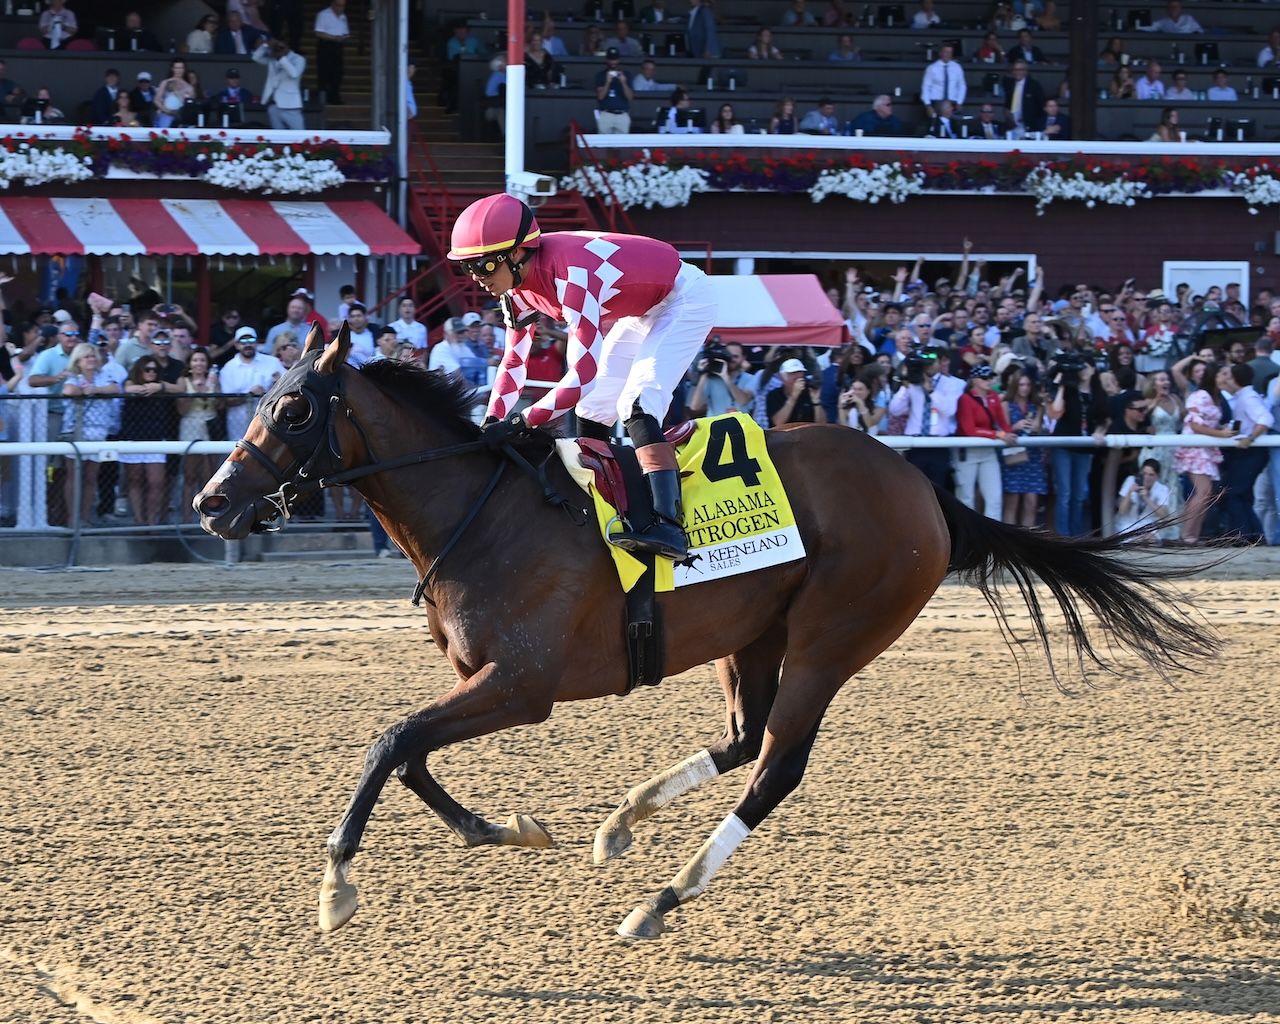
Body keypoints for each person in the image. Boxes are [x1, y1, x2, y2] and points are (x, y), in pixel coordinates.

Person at [446, 193, 718, 560]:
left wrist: (521, 421)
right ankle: (601, 510)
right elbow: (513, 362)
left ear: (515, 254)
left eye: (484, 266)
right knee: (593, 409)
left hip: (684, 298)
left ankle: (668, 525)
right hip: (641, 307)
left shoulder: (571, 276)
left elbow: (583, 373)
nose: (478, 279)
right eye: (469, 268)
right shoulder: (515, 289)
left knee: (636, 404)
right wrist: (492, 420)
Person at [60, 343, 121, 526]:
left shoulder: (104, 375)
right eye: (87, 356)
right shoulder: (73, 376)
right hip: (76, 431)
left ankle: (85, 517)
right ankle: (72, 518)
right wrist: (82, 391)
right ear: (78, 360)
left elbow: (114, 389)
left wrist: (94, 390)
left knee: (90, 477)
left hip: (99, 431)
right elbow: (68, 390)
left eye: (93, 356)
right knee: (73, 476)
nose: (91, 359)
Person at [1047, 354, 1108, 536]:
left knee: (1079, 494)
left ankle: (1077, 535)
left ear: (1093, 369)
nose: (1083, 370)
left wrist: (1099, 431)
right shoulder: (1069, 389)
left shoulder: (1098, 392)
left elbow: (1104, 419)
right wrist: (1063, 385)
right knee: (1065, 493)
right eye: (1080, 367)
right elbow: (1056, 412)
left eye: (1086, 366)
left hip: (1084, 448)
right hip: (1063, 445)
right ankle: (1063, 536)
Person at [888, 347, 964, 490]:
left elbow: (949, 410)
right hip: (916, 444)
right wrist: (906, 384)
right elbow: (895, 410)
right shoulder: (912, 382)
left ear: (940, 363)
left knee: (938, 491)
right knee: (914, 489)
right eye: (925, 362)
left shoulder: (950, 384)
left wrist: (931, 391)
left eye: (931, 361)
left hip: (938, 444)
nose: (928, 365)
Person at [1173, 361, 1232, 544]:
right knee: (1203, 491)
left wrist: (1222, 429)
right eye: (1223, 374)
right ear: (1213, 376)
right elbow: (1195, 424)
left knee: (1206, 493)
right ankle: (1187, 535)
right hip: (1195, 448)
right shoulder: (1201, 395)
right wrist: (1220, 433)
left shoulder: (1217, 397)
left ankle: (1193, 535)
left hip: (1206, 448)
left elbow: (1207, 424)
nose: (1227, 378)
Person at [1218, 363, 1273, 543]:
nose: (1225, 379)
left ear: (1235, 380)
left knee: (1234, 495)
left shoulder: (1248, 398)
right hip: (1249, 454)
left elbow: (1266, 419)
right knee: (1241, 496)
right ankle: (1255, 538)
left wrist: (1250, 438)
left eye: (1229, 376)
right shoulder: (1246, 396)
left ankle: (1245, 538)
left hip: (1250, 453)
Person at [955, 364, 1015, 518]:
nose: (989, 380)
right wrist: (998, 434)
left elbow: (1002, 422)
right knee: (966, 499)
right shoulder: (965, 399)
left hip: (988, 451)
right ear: (974, 380)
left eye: (990, 377)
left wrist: (1009, 433)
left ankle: (992, 539)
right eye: (984, 377)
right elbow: (969, 430)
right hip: (968, 452)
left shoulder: (994, 397)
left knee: (995, 498)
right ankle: (966, 537)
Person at [177, 349, 220, 521]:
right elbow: (181, 410)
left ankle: (207, 518)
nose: (199, 364)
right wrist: (195, 392)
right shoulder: (183, 381)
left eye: (202, 360)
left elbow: (219, 404)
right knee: (190, 476)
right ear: (190, 364)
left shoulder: (214, 380)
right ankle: (186, 518)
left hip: (210, 426)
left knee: (209, 476)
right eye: (195, 360)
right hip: (190, 426)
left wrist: (213, 387)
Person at [220, 326, 284, 440]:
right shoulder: (228, 368)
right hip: (238, 426)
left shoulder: (272, 362)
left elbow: (289, 386)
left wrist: (276, 386)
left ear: (256, 342)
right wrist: (249, 394)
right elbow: (227, 401)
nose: (247, 344)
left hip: (268, 423)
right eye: (243, 341)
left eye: (251, 340)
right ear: (236, 344)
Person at [1001, 366, 1047, 526]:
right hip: (1013, 455)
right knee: (1011, 502)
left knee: (1031, 503)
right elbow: (1003, 430)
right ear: (1015, 385)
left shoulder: (1038, 406)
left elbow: (1041, 429)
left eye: (1027, 385)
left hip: (1033, 457)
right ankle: (1009, 543)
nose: (1025, 388)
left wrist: (1036, 427)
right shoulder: (1006, 404)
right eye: (1021, 385)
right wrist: (1016, 426)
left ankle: (1028, 543)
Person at [687, 340, 756, 417]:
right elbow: (695, 407)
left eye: (735, 356)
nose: (731, 359)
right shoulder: (711, 378)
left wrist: (726, 377)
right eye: (728, 355)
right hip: (716, 426)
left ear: (743, 358)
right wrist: (704, 373)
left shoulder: (750, 378)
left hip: (742, 426)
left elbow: (743, 400)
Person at [253, 37, 306, 130]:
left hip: (290, 105)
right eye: (277, 47)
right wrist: (265, 45)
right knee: (278, 135)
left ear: (288, 47)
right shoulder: (272, 58)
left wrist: (282, 58)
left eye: (282, 47)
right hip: (274, 104)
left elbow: (294, 74)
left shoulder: (298, 59)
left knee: (299, 133)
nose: (279, 49)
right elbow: (255, 58)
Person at [1115, 459, 1171, 538]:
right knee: (1136, 540)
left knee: (1149, 540)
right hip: (1128, 524)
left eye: (1151, 475)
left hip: (1148, 526)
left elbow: (1164, 515)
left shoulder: (1162, 488)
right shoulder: (1131, 480)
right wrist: (1130, 492)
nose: (1146, 477)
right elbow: (1121, 511)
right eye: (1144, 473)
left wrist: (1146, 498)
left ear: (1157, 476)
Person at [767, 359, 826, 426]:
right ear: (782, 377)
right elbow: (778, 423)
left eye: (799, 372)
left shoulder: (809, 392)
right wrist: (793, 397)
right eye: (792, 373)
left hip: (807, 434)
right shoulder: (774, 395)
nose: (797, 376)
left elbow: (822, 424)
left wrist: (816, 402)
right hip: (783, 435)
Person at [594, 48, 633, 133]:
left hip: (622, 115)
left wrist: (623, 82)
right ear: (607, 60)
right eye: (611, 59)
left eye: (615, 59)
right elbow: (600, 97)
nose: (613, 62)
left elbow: (630, 97)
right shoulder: (600, 75)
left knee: (621, 144)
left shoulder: (626, 75)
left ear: (618, 60)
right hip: (606, 114)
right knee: (604, 144)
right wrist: (607, 82)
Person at [922, 43, 966, 116]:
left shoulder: (957, 67)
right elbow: (926, 87)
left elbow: (962, 86)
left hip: (953, 103)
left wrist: (959, 102)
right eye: (945, 52)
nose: (947, 55)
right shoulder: (932, 68)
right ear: (940, 53)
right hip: (936, 102)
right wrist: (928, 105)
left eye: (950, 52)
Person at [1003, 59, 1045, 137]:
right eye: (1016, 70)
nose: (1018, 72)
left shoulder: (1034, 86)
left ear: (1026, 71)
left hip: (1029, 127)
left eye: (1021, 70)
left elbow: (1041, 107)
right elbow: (1007, 105)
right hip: (1013, 127)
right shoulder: (1010, 85)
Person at [154, 60, 196, 130]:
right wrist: (167, 111)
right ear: (172, 69)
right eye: (176, 68)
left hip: (181, 118)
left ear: (184, 69)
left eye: (181, 68)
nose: (179, 70)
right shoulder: (165, 82)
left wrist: (177, 93)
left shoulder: (189, 87)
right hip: (166, 116)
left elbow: (190, 105)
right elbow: (156, 100)